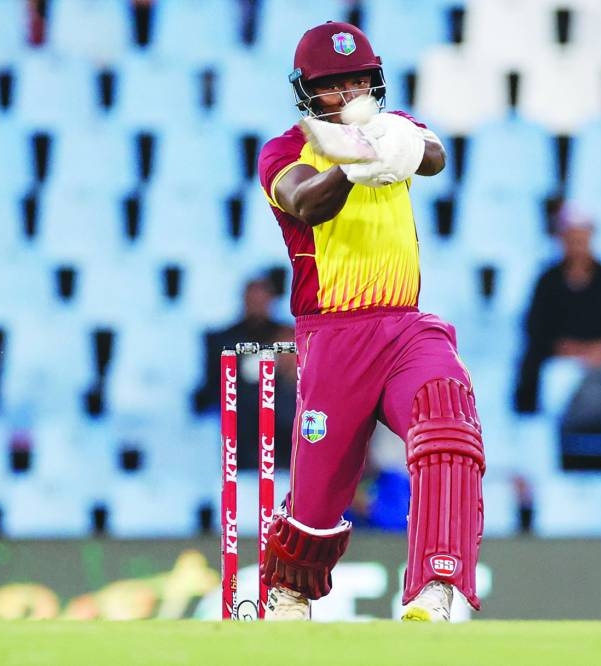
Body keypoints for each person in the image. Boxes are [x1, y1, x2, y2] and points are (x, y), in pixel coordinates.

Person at [254, 21, 484, 622]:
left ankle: (438, 585)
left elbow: (432, 157)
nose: (349, 94)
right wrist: (352, 167)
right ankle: (290, 592)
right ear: (308, 92)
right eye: (333, 85)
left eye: (358, 80)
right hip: (333, 337)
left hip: (406, 327)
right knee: (317, 500)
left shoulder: (391, 127)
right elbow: (306, 201)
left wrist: (395, 144)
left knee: (447, 419)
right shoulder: (284, 151)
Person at [513, 204, 601, 470]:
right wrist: (582, 352)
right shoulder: (547, 281)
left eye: (582, 236)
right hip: (560, 363)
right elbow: (537, 332)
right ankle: (535, 444)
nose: (577, 243)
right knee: (532, 368)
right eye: (571, 236)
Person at [193, 277, 295, 471]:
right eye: (252, 298)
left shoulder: (289, 336)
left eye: (262, 298)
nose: (257, 304)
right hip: (241, 427)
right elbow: (209, 390)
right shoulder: (222, 340)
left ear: (271, 300)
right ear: (243, 299)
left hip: (282, 428)